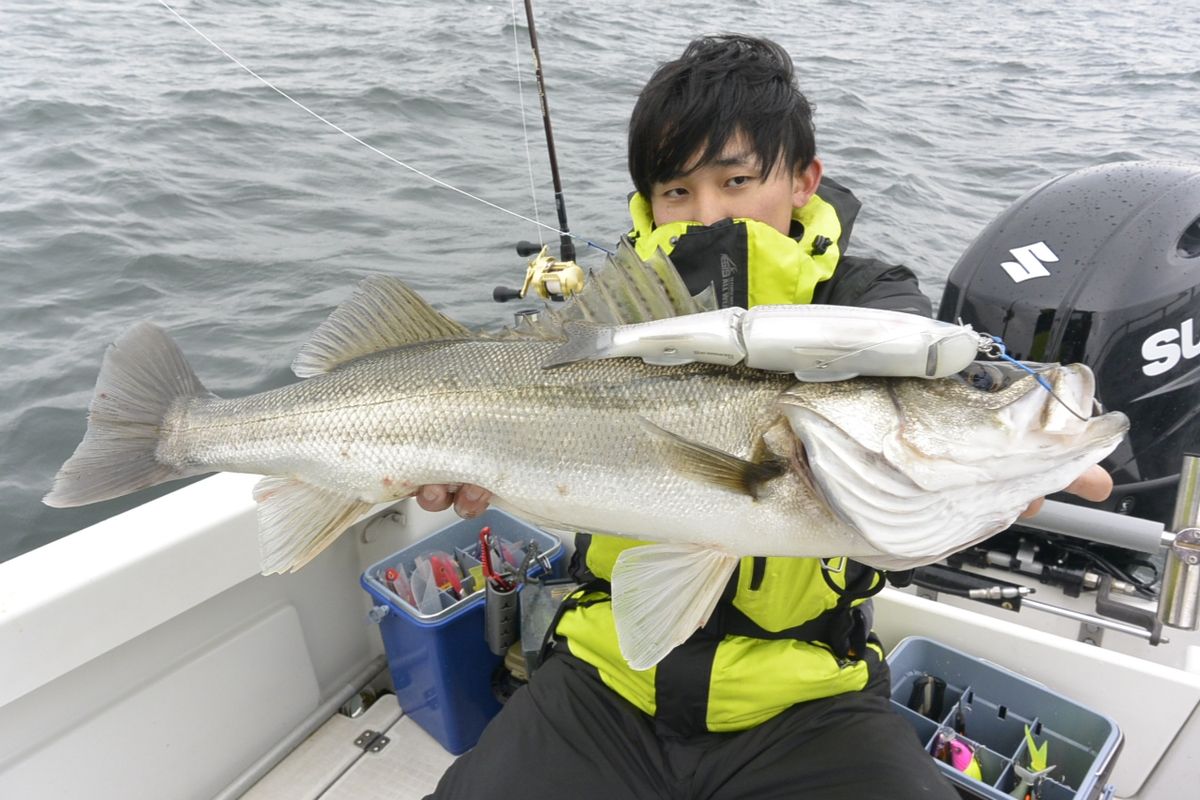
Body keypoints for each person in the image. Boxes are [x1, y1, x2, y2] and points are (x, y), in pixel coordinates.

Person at [420, 35, 1112, 799]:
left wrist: (992, 468)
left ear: (804, 183)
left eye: (738, 179)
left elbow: (915, 399)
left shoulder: (875, 303)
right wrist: (454, 465)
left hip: (810, 702)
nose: (706, 213)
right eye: (675, 192)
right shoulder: (610, 318)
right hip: (604, 673)